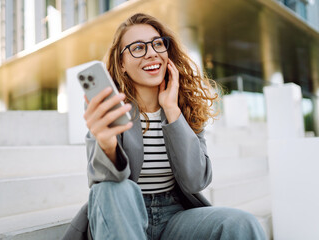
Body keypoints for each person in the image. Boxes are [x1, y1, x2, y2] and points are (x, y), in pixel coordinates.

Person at [62, 13, 266, 240]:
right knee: (115, 188)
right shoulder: (110, 107)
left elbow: (196, 181)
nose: (151, 53)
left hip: (174, 215)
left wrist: (171, 110)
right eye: (138, 48)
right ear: (122, 63)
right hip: (122, 214)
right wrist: (107, 144)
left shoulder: (183, 107)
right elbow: (103, 186)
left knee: (241, 224)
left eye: (157, 44)